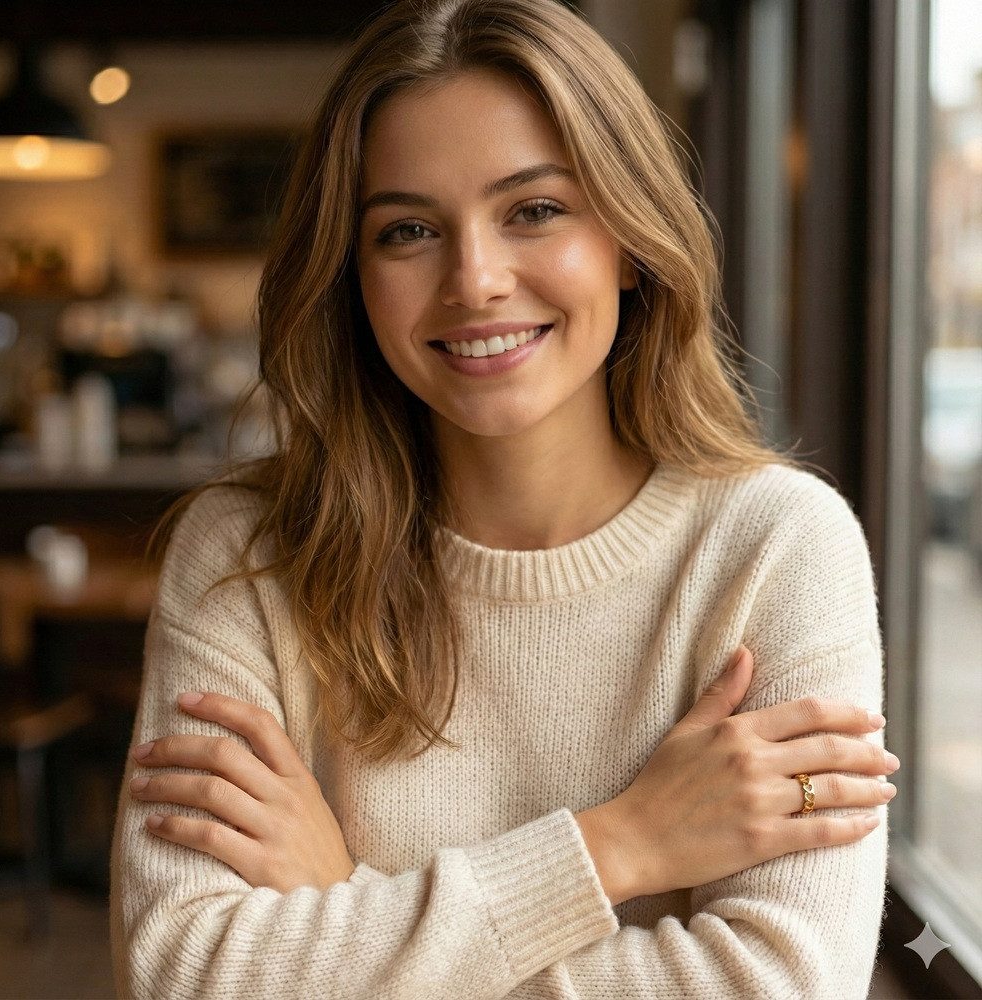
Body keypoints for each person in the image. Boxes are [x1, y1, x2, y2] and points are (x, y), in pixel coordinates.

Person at [109, 1, 897, 996]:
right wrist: (615, 846)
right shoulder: (245, 552)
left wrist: (347, 901)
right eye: (407, 230)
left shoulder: (777, 546)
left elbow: (778, 984)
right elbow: (186, 973)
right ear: (350, 275)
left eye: (533, 209)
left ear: (627, 232)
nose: (474, 279)